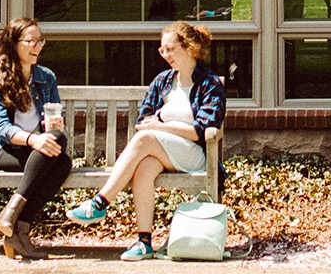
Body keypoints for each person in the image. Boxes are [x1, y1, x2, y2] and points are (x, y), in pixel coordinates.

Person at [63, 20, 226, 261]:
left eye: (170, 49)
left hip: (196, 154)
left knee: (146, 138)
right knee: (144, 167)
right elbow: (143, 120)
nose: (165, 55)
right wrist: (161, 129)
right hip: (162, 150)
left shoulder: (209, 84)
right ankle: (144, 242)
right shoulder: (162, 81)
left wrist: (163, 127)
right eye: (162, 50)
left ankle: (99, 202)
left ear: (189, 47)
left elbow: (201, 131)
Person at [0, 17, 69, 261]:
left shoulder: (46, 77)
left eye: (40, 40)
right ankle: (17, 225)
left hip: (37, 150)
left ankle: (14, 224)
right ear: (13, 44)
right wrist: (34, 140)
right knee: (57, 160)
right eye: (30, 41)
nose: (37, 46)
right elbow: (1, 128)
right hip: (2, 150)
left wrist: (52, 128)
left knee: (60, 153)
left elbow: (54, 116)